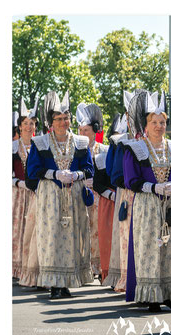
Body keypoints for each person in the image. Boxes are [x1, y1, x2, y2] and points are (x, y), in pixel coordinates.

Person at [123, 90, 171, 312]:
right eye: (154, 122)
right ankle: (151, 296)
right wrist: (154, 187)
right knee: (150, 248)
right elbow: (131, 180)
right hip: (147, 205)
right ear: (146, 125)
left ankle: (170, 294)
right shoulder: (135, 149)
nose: (159, 126)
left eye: (162, 122)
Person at [26, 91, 94, 299]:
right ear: (51, 121)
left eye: (66, 118)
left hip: (73, 195)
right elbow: (32, 172)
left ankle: (68, 282)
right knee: (51, 237)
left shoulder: (81, 142)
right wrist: (54, 173)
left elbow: (89, 170)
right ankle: (54, 284)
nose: (63, 122)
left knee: (73, 237)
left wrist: (75, 174)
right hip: (50, 196)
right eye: (59, 119)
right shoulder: (40, 143)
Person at [102, 91, 139, 291]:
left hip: (149, 194)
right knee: (127, 238)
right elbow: (112, 172)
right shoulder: (119, 141)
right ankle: (128, 279)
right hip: (127, 194)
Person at [76, 103, 108, 279]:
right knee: (82, 229)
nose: (82, 134)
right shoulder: (75, 150)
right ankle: (83, 266)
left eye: (86, 130)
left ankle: (99, 267)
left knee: (98, 231)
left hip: (98, 197)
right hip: (80, 194)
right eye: (80, 130)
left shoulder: (103, 150)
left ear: (94, 131)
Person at [92, 114, 124, 282]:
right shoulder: (102, 157)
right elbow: (98, 184)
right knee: (108, 240)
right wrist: (111, 195)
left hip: (125, 201)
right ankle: (110, 276)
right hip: (108, 203)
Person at [13, 98, 41, 286]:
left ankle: (30, 266)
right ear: (20, 127)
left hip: (36, 193)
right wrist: (20, 184)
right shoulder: (12, 147)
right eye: (25, 123)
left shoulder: (40, 145)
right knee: (17, 229)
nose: (29, 126)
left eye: (31, 123)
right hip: (18, 194)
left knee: (33, 230)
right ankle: (16, 267)